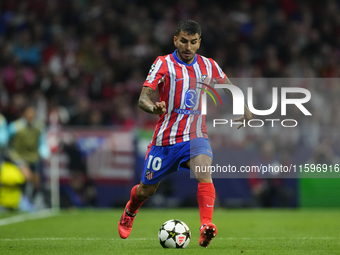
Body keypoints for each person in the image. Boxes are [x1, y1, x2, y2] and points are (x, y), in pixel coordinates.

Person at [118, 20, 252, 247]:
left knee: (204, 172)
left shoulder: (209, 65)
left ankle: (205, 226)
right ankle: (130, 210)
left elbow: (229, 86)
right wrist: (153, 107)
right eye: (183, 41)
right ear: (175, 40)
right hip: (165, 140)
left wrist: (245, 108)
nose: (187, 47)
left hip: (195, 136)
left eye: (192, 42)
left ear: (199, 43)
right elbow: (142, 99)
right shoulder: (163, 63)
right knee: (145, 190)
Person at [7, 105, 50, 206]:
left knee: (36, 181)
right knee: (26, 176)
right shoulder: (15, 126)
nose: (31, 115)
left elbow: (42, 142)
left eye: (33, 113)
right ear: (24, 114)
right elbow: (7, 142)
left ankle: (32, 201)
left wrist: (46, 154)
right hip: (18, 157)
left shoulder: (39, 127)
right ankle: (22, 200)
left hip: (33, 157)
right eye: (29, 113)